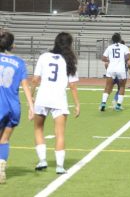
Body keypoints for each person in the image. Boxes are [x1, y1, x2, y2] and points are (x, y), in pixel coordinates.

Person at [31, 32, 80, 175]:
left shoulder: (44, 57)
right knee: (60, 134)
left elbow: (35, 79)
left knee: (38, 128)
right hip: (59, 99)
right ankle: (59, 166)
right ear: (69, 45)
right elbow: (73, 86)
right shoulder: (69, 61)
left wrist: (31, 96)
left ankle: (42, 161)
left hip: (43, 97)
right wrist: (77, 104)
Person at [0, 31, 34, 184]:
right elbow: (25, 86)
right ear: (12, 45)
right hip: (13, 107)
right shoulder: (19, 62)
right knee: (4, 140)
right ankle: (1, 167)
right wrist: (31, 106)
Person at [100, 33, 130, 111]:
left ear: (112, 40)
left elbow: (103, 58)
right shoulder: (124, 47)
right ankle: (118, 105)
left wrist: (110, 60)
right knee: (122, 86)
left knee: (107, 87)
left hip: (111, 69)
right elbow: (128, 57)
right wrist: (122, 60)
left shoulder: (109, 47)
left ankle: (103, 103)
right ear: (120, 39)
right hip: (120, 69)